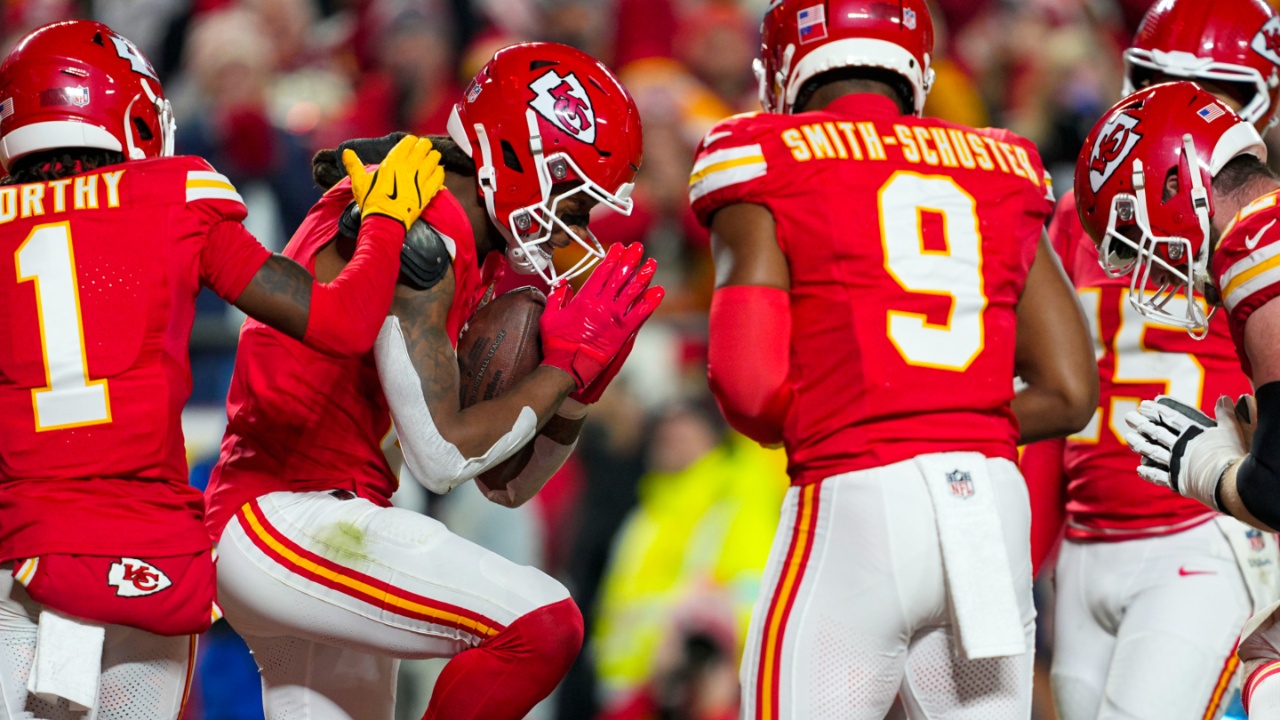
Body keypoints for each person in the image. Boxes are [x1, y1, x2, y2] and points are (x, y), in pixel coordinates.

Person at [203, 42, 663, 720]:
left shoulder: (460, 226)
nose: (575, 227)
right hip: (287, 514)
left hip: (315, 519)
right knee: (542, 624)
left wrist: (576, 393)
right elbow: (443, 455)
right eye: (572, 200)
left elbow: (504, 485)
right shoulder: (425, 219)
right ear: (518, 156)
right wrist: (560, 369)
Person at [0, 20, 440, 720]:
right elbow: (344, 322)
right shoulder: (175, 196)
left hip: (20, 545)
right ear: (132, 116)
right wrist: (384, 219)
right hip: (145, 557)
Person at [690, 1, 1097, 717]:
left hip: (858, 495)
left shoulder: (760, 154)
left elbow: (749, 390)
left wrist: (868, 416)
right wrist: (950, 420)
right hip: (990, 507)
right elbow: (1070, 391)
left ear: (786, 68)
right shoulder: (1004, 162)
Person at [1020, 3, 1280, 718]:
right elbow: (1061, 394)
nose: (1177, 107)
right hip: (1093, 527)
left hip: (1206, 527)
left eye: (1209, 90)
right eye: (1156, 80)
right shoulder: (1087, 212)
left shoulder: (1254, 230)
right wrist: (1024, 559)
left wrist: (1219, 476)